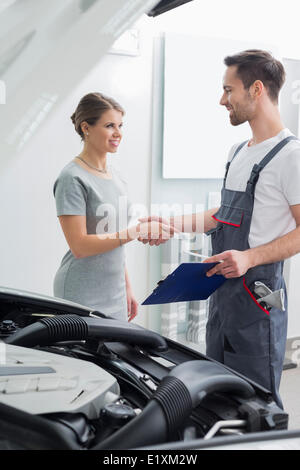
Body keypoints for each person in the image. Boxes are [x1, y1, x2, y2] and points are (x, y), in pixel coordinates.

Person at [140, 50, 300, 408]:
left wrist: (249, 257)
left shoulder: (292, 156)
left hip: (258, 304)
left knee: (255, 405)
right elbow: (224, 214)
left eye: (229, 90)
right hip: (222, 297)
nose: (222, 100)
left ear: (256, 89)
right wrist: (172, 225)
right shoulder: (238, 150)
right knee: (219, 398)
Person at [53, 92, 175, 322]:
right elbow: (79, 246)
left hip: (114, 291)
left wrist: (126, 287)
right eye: (110, 125)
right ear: (86, 128)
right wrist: (136, 232)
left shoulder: (116, 176)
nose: (118, 133)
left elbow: (114, 242)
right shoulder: (72, 178)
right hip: (80, 291)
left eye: (120, 125)